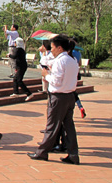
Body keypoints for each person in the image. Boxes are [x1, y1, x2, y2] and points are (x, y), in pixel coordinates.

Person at [28, 35, 80, 164]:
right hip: (69, 96)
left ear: (59, 48)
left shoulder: (60, 61)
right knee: (69, 127)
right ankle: (73, 154)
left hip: (59, 97)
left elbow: (56, 82)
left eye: (52, 48)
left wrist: (47, 76)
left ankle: (42, 152)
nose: (51, 50)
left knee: (52, 126)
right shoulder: (71, 60)